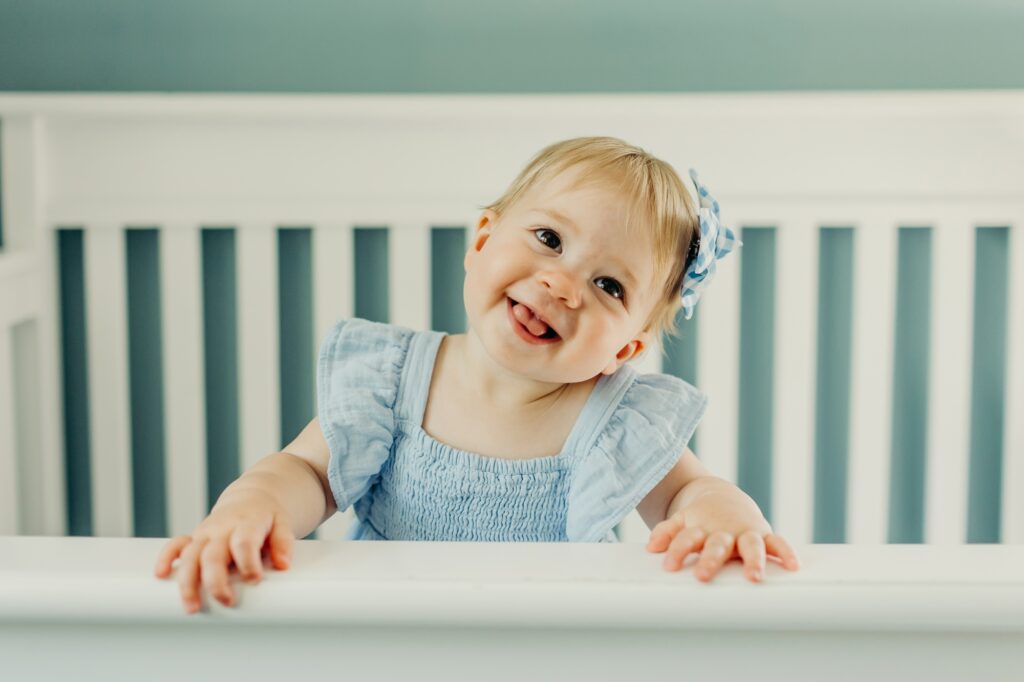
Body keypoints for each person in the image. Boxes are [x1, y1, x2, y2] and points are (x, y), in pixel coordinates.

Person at [155, 136, 801, 614]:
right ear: (483, 239)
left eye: (608, 284)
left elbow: (696, 491)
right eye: (549, 239)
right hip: (388, 641)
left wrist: (721, 518)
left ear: (624, 352)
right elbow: (306, 472)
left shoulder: (613, 422)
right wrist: (252, 508)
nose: (561, 284)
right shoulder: (390, 381)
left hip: (546, 652)